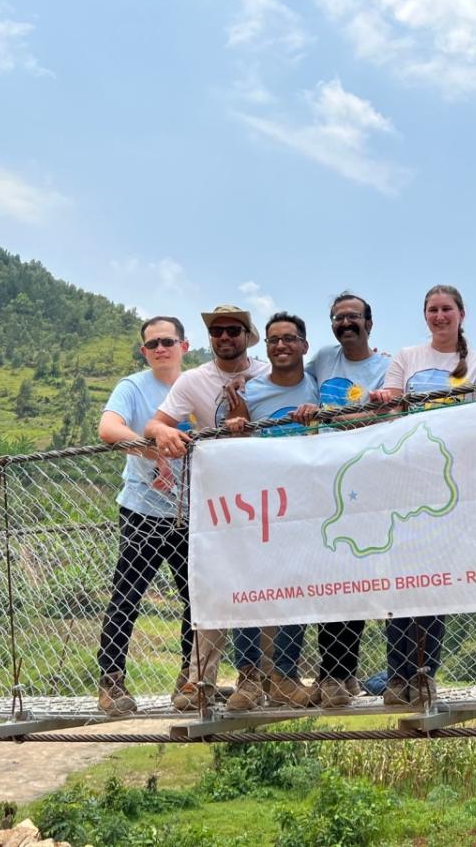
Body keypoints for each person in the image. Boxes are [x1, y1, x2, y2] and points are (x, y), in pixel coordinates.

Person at [143, 304, 269, 710]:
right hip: (214, 501)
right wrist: (165, 432)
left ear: (247, 336)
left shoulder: (267, 374)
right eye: (218, 332)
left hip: (266, 498)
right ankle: (200, 681)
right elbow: (155, 424)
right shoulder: (194, 380)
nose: (225, 337)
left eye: (233, 330)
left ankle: (257, 679)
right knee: (212, 587)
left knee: (261, 586)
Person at [369, 285, 476, 705]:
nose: (440, 316)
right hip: (404, 480)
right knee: (399, 580)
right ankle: (396, 676)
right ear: (425, 316)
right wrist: (385, 400)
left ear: (461, 314)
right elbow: (392, 410)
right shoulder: (406, 357)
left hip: (449, 484)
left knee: (432, 583)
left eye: (446, 309)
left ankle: (422, 674)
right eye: (432, 310)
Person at [216, 312, 320, 710]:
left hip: (305, 505)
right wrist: (235, 423)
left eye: (290, 339)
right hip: (257, 504)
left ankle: (284, 677)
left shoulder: (318, 384)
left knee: (294, 589)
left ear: (304, 346)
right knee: (250, 588)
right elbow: (229, 442)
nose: (281, 346)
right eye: (274, 340)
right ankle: (248, 679)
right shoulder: (250, 392)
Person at [296, 293, 392, 707]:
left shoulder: (387, 367)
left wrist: (329, 416)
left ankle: (344, 675)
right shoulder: (320, 360)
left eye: (353, 317)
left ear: (370, 323)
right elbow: (290, 379)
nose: (346, 323)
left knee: (362, 579)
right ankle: (337, 676)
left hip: (370, 482)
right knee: (329, 581)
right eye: (338, 318)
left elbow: (387, 416)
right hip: (326, 482)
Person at [95, 316, 193, 716]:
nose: (160, 349)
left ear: (184, 346)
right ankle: (111, 684)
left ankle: (191, 682)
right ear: (144, 351)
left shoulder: (197, 385)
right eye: (152, 344)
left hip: (193, 510)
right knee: (127, 596)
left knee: (196, 599)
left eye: (167, 341)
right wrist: (150, 449)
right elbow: (108, 428)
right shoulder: (133, 387)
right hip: (143, 509)